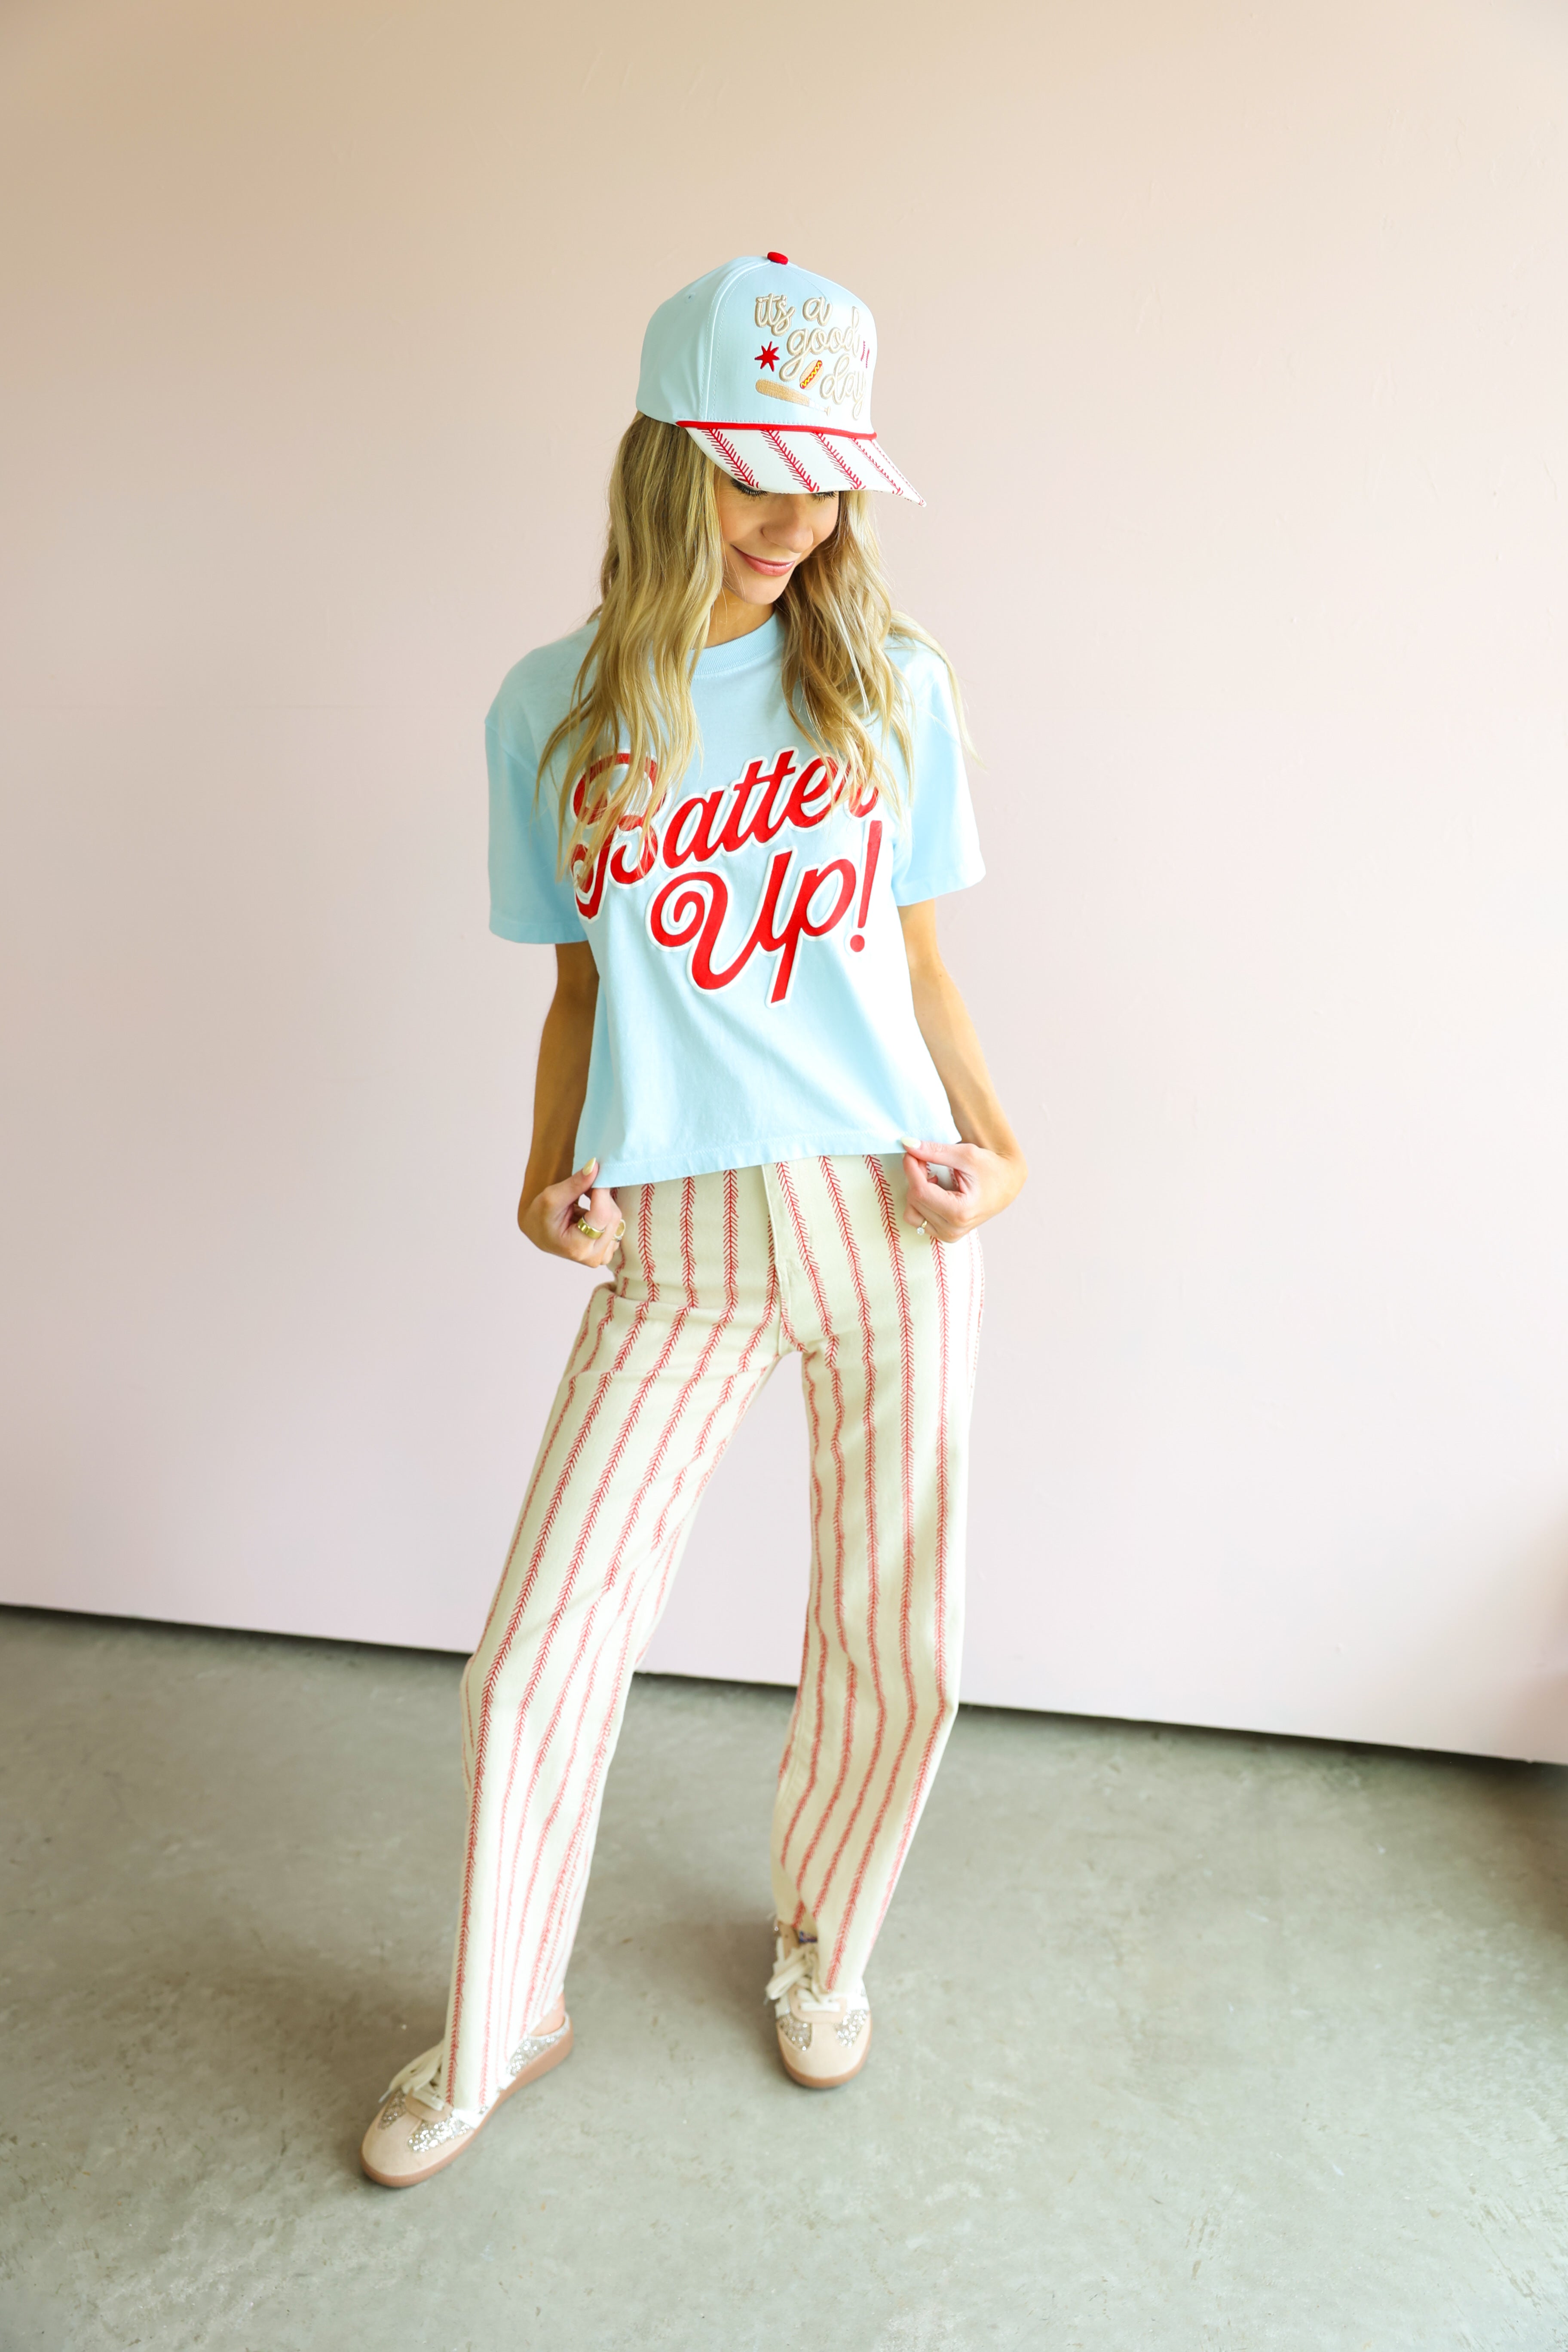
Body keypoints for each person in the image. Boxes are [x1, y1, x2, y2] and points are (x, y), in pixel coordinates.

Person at [360, 252, 1026, 2188]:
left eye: (825, 480)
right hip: (680, 1240)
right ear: (665, 458)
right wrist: (542, 1169)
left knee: (896, 1634)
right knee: (539, 1651)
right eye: (751, 471)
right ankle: (501, 2015)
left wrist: (1005, 1149)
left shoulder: (889, 682)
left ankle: (828, 1942)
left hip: (895, 1215)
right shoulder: (551, 708)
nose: (792, 518)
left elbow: (922, 962)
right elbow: (577, 987)